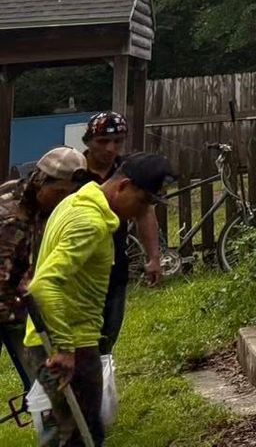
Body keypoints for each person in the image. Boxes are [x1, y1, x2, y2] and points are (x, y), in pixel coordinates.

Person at [25, 153, 175, 447]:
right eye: (143, 201)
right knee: (80, 437)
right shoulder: (90, 223)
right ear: (123, 186)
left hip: (64, 341)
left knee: (70, 433)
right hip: (71, 345)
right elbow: (43, 285)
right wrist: (66, 349)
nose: (140, 211)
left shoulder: (77, 201)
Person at [0, 149, 89, 391]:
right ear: (40, 181)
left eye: (69, 193)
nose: (63, 199)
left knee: (44, 382)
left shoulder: (56, 211)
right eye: (58, 191)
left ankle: (54, 419)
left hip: (24, 307)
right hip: (9, 302)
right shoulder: (8, 208)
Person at [76, 114, 161, 354]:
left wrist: (153, 256)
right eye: (103, 141)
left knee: (106, 339)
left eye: (118, 141)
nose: (111, 148)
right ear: (89, 141)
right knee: (78, 342)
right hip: (78, 267)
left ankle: (99, 384)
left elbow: (145, 213)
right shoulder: (74, 171)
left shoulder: (128, 172)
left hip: (114, 266)